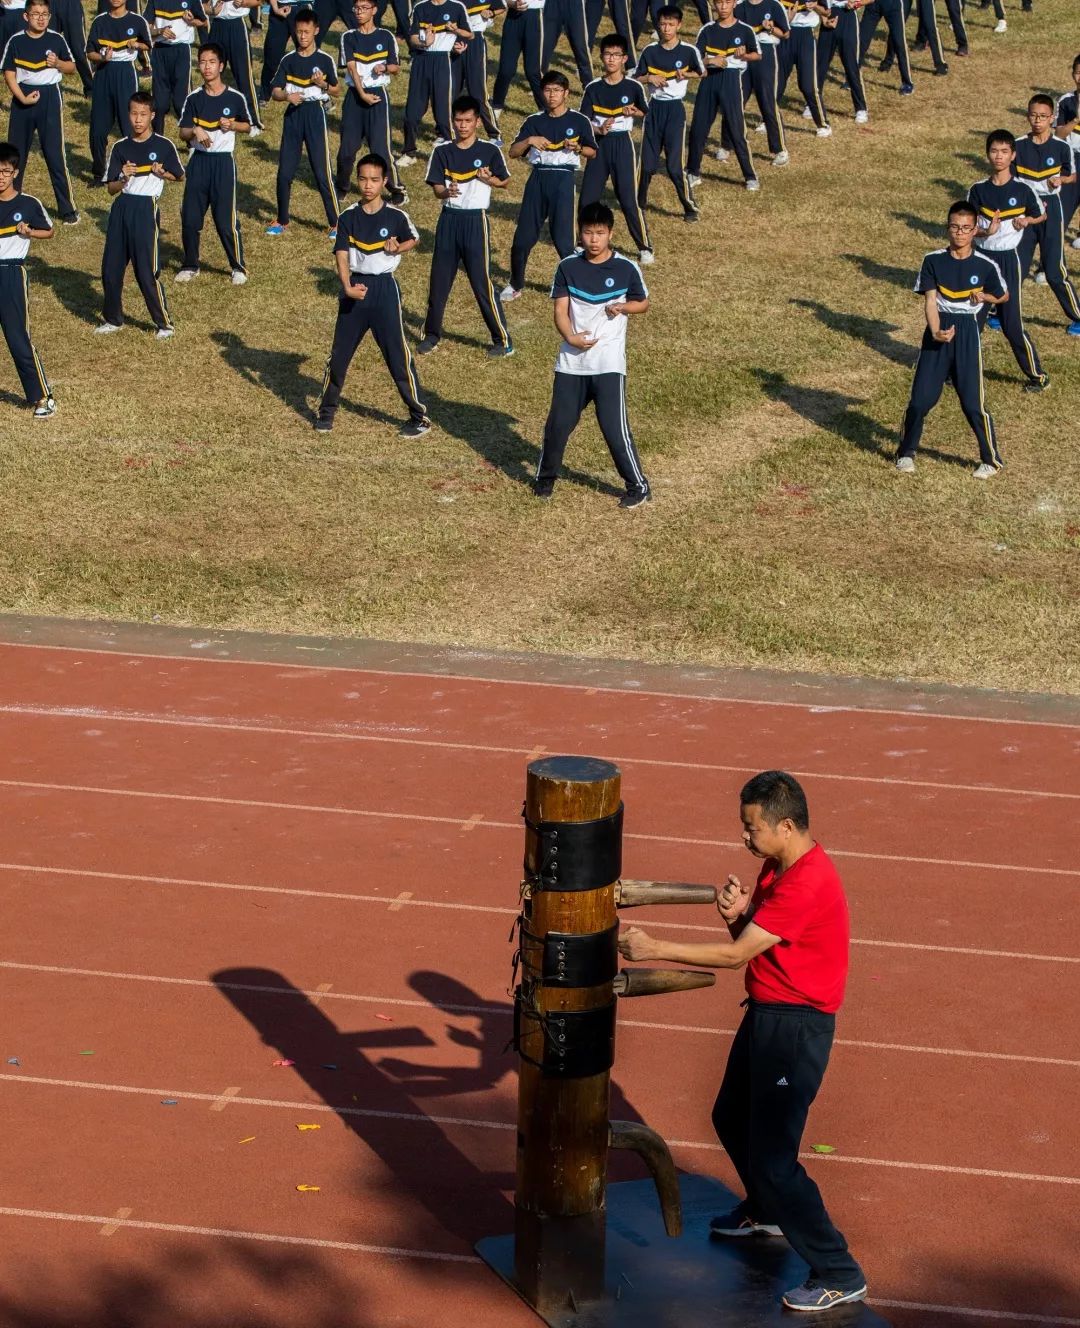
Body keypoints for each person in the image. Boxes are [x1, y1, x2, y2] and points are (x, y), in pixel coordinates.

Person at [617, 771, 868, 1314]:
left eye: (751, 827)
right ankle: (765, 1210)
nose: (744, 837)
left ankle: (839, 1271)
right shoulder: (777, 867)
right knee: (730, 1116)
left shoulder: (807, 882)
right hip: (766, 1014)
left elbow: (735, 959)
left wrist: (655, 945)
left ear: (785, 824)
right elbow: (757, 946)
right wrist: (738, 917)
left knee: (777, 1160)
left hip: (795, 1031)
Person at [533, 201, 650, 508]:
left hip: (608, 364)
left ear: (610, 233)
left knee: (613, 427)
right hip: (571, 363)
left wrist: (623, 307)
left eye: (600, 233)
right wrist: (570, 336)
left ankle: (637, 486)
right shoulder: (567, 267)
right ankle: (545, 479)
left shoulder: (626, 268)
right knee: (558, 425)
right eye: (588, 233)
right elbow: (560, 310)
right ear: (580, 234)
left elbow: (642, 303)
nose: (594, 239)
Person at [315, 152, 431, 435]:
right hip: (354, 289)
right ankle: (326, 412)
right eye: (363, 179)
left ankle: (419, 417)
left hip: (384, 290)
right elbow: (341, 254)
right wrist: (346, 287)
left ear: (384, 182)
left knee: (397, 355)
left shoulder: (396, 216)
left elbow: (414, 239)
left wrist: (397, 248)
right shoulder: (348, 217)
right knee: (340, 355)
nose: (368, 185)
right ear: (357, 180)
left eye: (375, 180)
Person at [896, 200, 1006, 478]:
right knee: (921, 400)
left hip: (967, 331)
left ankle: (990, 460)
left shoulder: (985, 265)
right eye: (955, 227)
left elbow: (1002, 294)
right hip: (938, 331)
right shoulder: (932, 260)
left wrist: (985, 297)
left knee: (972, 402)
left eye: (966, 228)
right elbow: (931, 301)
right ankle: (905, 453)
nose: (960, 233)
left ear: (974, 230)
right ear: (948, 228)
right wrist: (935, 331)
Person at [418, 94, 512, 357]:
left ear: (478, 122)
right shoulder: (442, 151)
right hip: (448, 219)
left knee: (481, 283)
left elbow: (505, 181)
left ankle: (502, 339)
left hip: (475, 221)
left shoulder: (490, 151)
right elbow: (436, 186)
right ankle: (431, 334)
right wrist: (444, 193)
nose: (462, 126)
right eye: (458, 120)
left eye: (467, 121)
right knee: (439, 281)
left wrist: (490, 180)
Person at [501, 69, 596, 303]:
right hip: (538, 178)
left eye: (557, 90)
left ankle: (576, 284)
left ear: (566, 93)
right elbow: (513, 152)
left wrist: (577, 148)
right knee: (522, 238)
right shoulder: (534, 121)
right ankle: (515, 283)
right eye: (547, 90)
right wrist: (529, 140)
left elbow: (592, 151)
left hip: (563, 179)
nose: (552, 95)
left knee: (563, 240)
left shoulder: (579, 120)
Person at [97, 87, 184, 336]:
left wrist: (162, 173)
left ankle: (163, 323)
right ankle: (113, 319)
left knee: (145, 270)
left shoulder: (164, 145)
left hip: (146, 208)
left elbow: (179, 175)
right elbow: (111, 189)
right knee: (110, 269)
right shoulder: (120, 147)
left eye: (143, 114)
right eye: (134, 114)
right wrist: (123, 176)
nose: (138, 119)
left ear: (152, 116)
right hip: (122, 207)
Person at [967, 129, 1047, 392]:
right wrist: (984, 232)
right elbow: (965, 228)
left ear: (1013, 155)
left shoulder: (1023, 190)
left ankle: (1037, 376)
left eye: (1004, 152)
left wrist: (1027, 220)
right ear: (987, 154)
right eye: (994, 151)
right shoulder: (977, 190)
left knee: (1011, 325)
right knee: (970, 320)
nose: (998, 157)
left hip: (1007, 262)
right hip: (980, 260)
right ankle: (955, 370)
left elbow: (1040, 215)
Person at [176, 40, 249, 281]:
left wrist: (234, 125)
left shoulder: (236, 98)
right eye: (202, 62)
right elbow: (182, 131)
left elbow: (249, 126)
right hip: (199, 162)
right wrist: (195, 130)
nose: (206, 67)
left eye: (211, 62)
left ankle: (238, 267)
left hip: (223, 163)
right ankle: (190, 264)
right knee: (190, 217)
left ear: (221, 66)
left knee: (225, 220)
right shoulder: (194, 98)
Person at [2, 0, 79, 222]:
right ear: (26, 16)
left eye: (45, 14)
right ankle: (8, 204)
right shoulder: (16, 41)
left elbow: (72, 67)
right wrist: (22, 98)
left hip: (49, 98)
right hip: (22, 99)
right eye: (35, 14)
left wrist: (58, 64)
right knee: (16, 155)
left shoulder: (56, 39)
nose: (41, 18)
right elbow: (9, 73)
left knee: (55, 155)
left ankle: (67, 209)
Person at [266, 7, 340, 237]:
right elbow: (275, 90)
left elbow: (337, 90)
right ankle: (282, 219)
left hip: (315, 113)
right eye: (299, 32)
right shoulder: (288, 60)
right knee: (285, 172)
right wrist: (287, 96)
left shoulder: (325, 60)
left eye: (307, 32)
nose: (303, 36)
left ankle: (336, 223)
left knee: (321, 171)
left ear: (316, 31)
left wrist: (323, 85)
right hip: (293, 115)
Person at [580, 33, 651, 261]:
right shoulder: (593, 88)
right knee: (587, 198)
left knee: (628, 199)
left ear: (624, 59)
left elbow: (645, 112)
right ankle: (581, 244)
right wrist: (598, 130)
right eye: (607, 54)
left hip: (622, 143)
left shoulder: (633, 86)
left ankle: (644, 247)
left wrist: (635, 112)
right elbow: (584, 121)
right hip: (599, 145)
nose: (611, 59)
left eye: (616, 55)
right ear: (601, 57)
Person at [1014, 93, 1080, 334]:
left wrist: (1060, 179)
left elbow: (1071, 175)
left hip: (1052, 209)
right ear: (1027, 116)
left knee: (1054, 271)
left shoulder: (1062, 147)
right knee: (1016, 268)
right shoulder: (1018, 145)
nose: (1037, 120)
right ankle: (1001, 313)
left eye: (1043, 116)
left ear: (1052, 118)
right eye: (1033, 115)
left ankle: (1078, 315)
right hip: (1025, 211)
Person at [0, 140, 55, 417]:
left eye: (5, 171)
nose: (0, 177)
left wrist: (30, 233)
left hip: (10, 273)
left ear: (15, 172)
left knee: (17, 337)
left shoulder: (28, 203)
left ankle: (42, 396)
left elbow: (49, 231)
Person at [686, 0, 763, 193]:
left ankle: (750, 176)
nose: (723, 6)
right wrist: (711, 60)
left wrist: (745, 55)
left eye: (727, 2)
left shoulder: (745, 29)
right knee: (698, 128)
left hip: (731, 81)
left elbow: (758, 55)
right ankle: (693, 170)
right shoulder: (707, 29)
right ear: (713, 5)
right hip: (709, 79)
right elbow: (695, 59)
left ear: (734, 4)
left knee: (737, 130)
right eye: (719, 2)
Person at [635, 5, 703, 219]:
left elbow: (701, 72)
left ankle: (689, 207)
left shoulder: (688, 51)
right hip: (653, 108)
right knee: (646, 165)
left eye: (671, 25)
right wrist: (649, 78)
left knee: (674, 167)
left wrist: (686, 75)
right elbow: (636, 78)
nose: (666, 28)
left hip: (675, 110)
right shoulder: (650, 50)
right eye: (663, 24)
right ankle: (639, 203)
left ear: (679, 25)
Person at [336, 0, 405, 202]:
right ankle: (342, 185)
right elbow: (351, 68)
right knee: (347, 150)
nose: (359, 12)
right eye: (356, 8)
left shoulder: (386, 36)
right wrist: (362, 93)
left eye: (364, 8)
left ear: (374, 10)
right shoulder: (348, 37)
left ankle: (397, 189)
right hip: (355, 96)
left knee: (381, 148)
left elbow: (395, 67)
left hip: (378, 95)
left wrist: (384, 67)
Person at [396, 0, 471, 167]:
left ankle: (454, 152)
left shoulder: (457, 7)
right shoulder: (420, 7)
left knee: (444, 112)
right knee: (412, 113)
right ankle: (409, 152)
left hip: (443, 60)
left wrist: (456, 33)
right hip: (421, 60)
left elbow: (469, 34)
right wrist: (424, 43)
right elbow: (413, 36)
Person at [85, 0, 151, 183]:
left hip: (126, 73)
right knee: (97, 130)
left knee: (128, 125)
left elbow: (148, 44)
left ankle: (132, 170)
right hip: (104, 74)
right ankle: (99, 173)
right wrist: (102, 57)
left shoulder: (137, 21)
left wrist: (136, 45)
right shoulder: (99, 21)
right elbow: (89, 51)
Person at [733, 0, 789, 161]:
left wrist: (770, 27)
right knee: (735, 101)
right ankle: (726, 144)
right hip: (744, 55)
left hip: (765, 53)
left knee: (767, 101)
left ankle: (779, 149)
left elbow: (785, 33)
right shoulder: (740, 6)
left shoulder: (773, 4)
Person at [145, 0, 207, 134]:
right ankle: (158, 139)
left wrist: (191, 21)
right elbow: (145, 29)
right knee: (159, 103)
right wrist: (160, 31)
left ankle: (191, 140)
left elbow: (204, 22)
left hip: (181, 51)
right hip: (160, 51)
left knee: (181, 101)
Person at [204, 0, 262, 131]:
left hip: (237, 26)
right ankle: (208, 118)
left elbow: (259, 2)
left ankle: (253, 121)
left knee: (244, 77)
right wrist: (212, 11)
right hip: (217, 26)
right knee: (211, 75)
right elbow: (201, 6)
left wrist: (244, 3)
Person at [454, 0, 501, 140]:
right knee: (450, 92)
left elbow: (501, 7)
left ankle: (494, 134)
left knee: (478, 92)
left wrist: (491, 13)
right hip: (453, 40)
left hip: (475, 41)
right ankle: (445, 133)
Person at [489, 0, 542, 121]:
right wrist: (512, 4)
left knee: (532, 71)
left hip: (535, 17)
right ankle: (497, 105)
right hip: (513, 18)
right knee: (506, 70)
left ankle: (546, 110)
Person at [815, 0, 868, 122]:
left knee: (851, 65)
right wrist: (824, 19)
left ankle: (861, 108)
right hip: (829, 14)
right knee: (820, 63)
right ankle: (813, 103)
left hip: (848, 15)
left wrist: (857, 4)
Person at [857, 0, 911, 96]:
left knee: (899, 42)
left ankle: (907, 82)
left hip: (892, 5)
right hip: (872, 5)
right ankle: (852, 79)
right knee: (861, 42)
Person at [1055, 53, 1080, 250]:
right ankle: (1046, 266)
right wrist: (1075, 121)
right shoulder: (1066, 101)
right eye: (1078, 73)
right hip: (1073, 159)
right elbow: (1059, 134)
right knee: (1063, 210)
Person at [541, 0, 589, 92]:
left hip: (574, 5)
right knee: (544, 47)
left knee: (580, 48)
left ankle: (588, 86)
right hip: (551, 5)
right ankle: (540, 85)